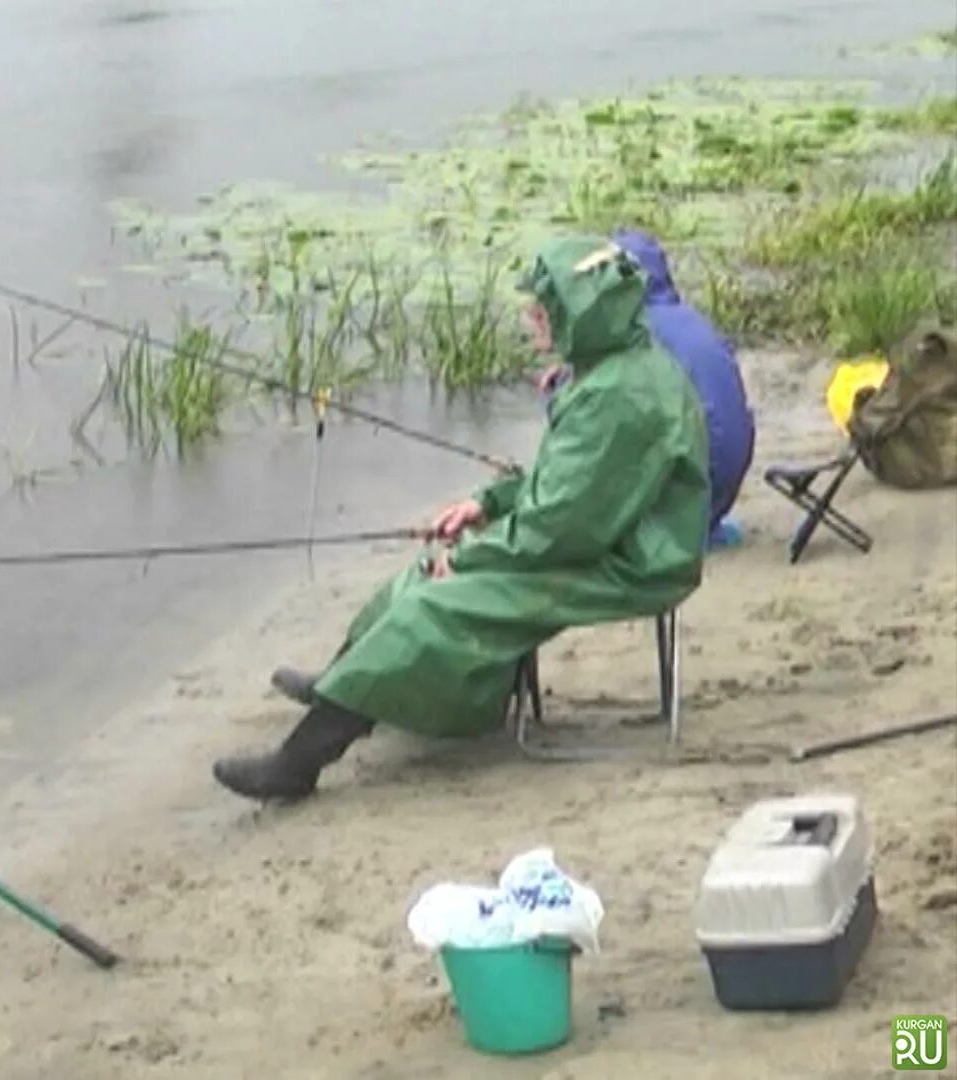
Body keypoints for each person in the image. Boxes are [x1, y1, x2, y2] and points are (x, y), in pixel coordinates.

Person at [214, 235, 711, 802]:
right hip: (609, 541)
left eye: (542, 311)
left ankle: (298, 763)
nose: (531, 320)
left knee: (434, 603)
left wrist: (473, 556)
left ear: (581, 317)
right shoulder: (612, 370)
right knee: (422, 575)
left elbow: (563, 528)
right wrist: (489, 504)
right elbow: (569, 488)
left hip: (636, 563)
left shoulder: (618, 396)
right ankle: (344, 682)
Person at [539, 228, 754, 548]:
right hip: (729, 475)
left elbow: (592, 409)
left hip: (695, 484)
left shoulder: (631, 332)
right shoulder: (688, 320)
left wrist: (558, 389)